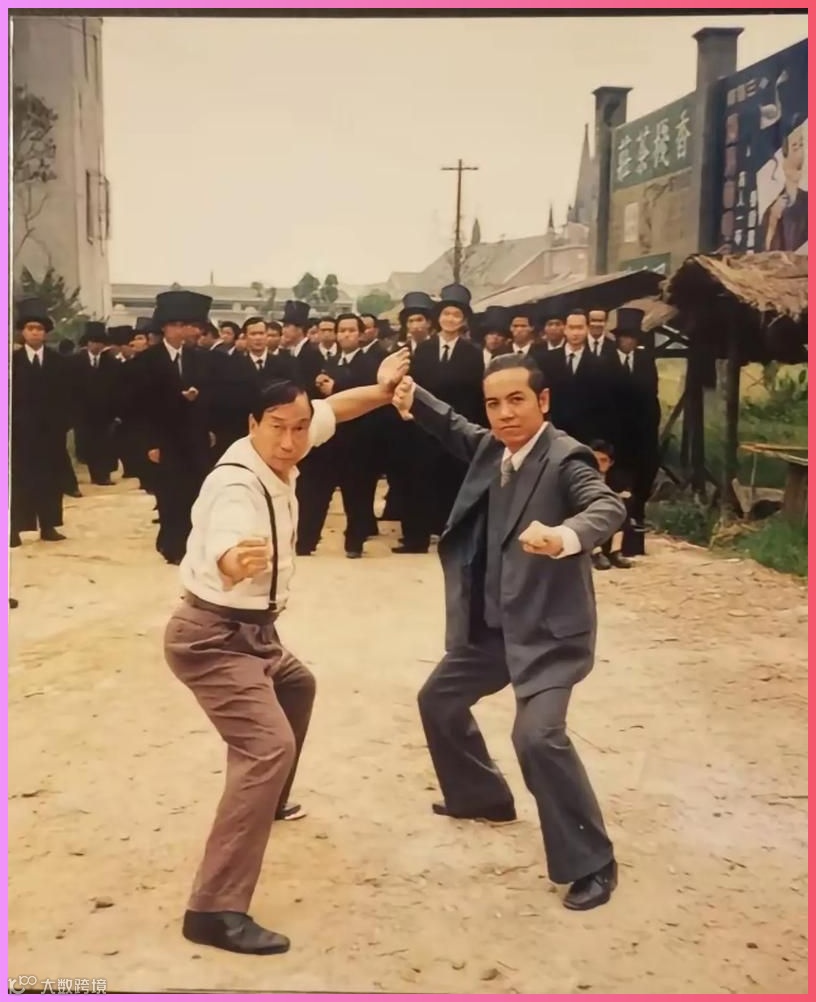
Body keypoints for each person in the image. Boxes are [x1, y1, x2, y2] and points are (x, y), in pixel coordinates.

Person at [163, 349, 410, 956]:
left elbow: (335, 408)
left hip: (257, 635)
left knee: (297, 686)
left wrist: (382, 390)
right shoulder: (235, 484)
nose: (291, 440)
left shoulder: (292, 433)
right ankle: (213, 911)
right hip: (212, 638)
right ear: (253, 424)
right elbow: (226, 538)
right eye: (278, 427)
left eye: (300, 428)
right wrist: (232, 560)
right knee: (267, 747)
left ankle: (267, 800)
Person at [392, 353, 625, 911]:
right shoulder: (494, 449)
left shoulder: (565, 457)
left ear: (543, 401)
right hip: (492, 629)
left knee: (537, 738)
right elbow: (456, 427)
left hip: (548, 636)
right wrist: (410, 395)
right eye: (494, 403)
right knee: (438, 700)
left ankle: (593, 861)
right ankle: (482, 796)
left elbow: (605, 505)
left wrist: (565, 537)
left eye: (517, 400)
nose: (504, 414)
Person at [131, 289, 215, 565]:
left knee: (195, 491)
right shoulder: (147, 361)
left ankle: (191, 543)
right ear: (170, 327)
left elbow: (210, 395)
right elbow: (139, 407)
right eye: (188, 325)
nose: (193, 331)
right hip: (164, 439)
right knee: (170, 494)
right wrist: (149, 443)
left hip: (195, 437)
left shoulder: (198, 358)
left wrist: (205, 419)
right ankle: (171, 544)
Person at [11, 298, 73, 546]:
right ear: (22, 332)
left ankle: (48, 525)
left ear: (46, 332)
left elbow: (69, 396)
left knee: (50, 478)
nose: (35, 333)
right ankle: (14, 529)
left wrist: (63, 424)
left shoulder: (58, 362)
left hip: (51, 432)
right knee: (19, 480)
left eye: (39, 328)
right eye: (30, 328)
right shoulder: (11, 362)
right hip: (20, 433)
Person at [588, 440, 634, 570]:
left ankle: (615, 552)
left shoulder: (617, 478)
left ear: (611, 462)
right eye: (595, 460)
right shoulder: (581, 475)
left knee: (621, 506)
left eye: (603, 460)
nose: (598, 464)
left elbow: (627, 494)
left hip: (607, 514)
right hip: (588, 513)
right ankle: (596, 553)